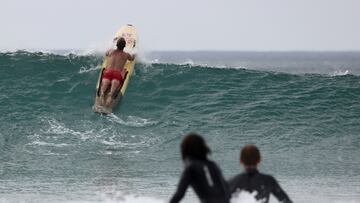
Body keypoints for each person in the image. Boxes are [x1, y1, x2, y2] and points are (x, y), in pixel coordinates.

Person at [170, 133, 230, 203]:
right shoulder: (213, 165)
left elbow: (179, 194)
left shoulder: (190, 167)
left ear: (185, 149)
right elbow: (226, 188)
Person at [227, 145, 292, 203]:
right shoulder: (268, 180)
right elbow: (286, 201)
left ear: (241, 161)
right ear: (259, 160)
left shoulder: (232, 182)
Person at [99, 37, 135, 106]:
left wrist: (113, 43)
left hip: (108, 73)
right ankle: (108, 102)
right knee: (111, 93)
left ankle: (102, 95)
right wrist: (134, 50)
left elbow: (106, 53)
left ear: (116, 45)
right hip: (117, 75)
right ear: (124, 46)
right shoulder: (126, 54)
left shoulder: (111, 51)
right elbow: (132, 59)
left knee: (103, 91)